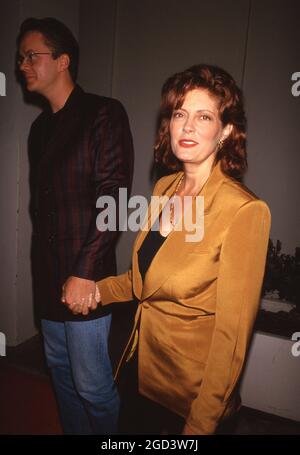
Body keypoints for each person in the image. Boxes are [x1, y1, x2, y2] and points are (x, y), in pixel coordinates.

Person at [67, 64, 271, 434]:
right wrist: (96, 289)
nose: (188, 126)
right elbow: (143, 280)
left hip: (188, 401)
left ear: (225, 131)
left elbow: (232, 337)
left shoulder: (243, 212)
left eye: (203, 116)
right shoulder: (165, 187)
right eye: (180, 114)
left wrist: (201, 424)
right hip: (137, 373)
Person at [17, 17, 134, 434]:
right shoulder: (38, 129)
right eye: (20, 57)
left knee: (91, 386)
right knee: (62, 377)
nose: (22, 65)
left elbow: (116, 200)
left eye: (32, 55)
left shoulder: (103, 113)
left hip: (86, 276)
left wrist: (85, 272)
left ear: (63, 60)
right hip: (47, 275)